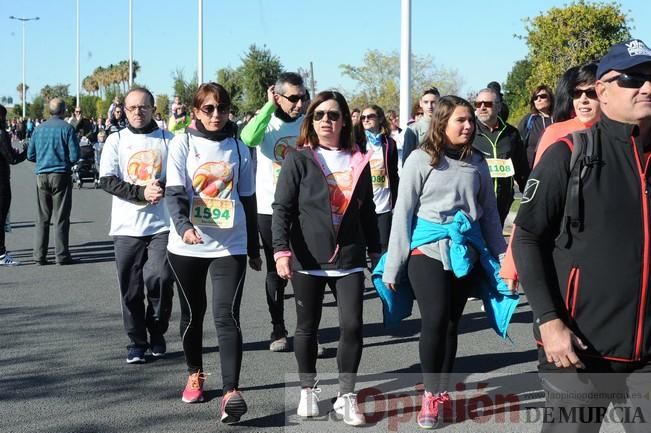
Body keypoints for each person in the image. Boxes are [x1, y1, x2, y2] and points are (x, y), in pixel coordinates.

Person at [512, 39, 651, 433]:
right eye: (633, 78)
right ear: (603, 91)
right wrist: (550, 323)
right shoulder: (570, 152)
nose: (647, 87)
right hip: (578, 350)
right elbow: (527, 238)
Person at [381, 95, 507, 429]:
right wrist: (394, 264)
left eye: (470, 120)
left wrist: (503, 258)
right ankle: (429, 393)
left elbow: (490, 214)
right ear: (442, 123)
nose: (468, 126)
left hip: (464, 250)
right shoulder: (420, 159)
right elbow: (403, 213)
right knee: (434, 319)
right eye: (460, 121)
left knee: (452, 323)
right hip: (426, 250)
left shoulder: (478, 162)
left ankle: (442, 391)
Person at [272, 90, 381, 426]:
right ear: (311, 121)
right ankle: (308, 389)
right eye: (318, 115)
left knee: (352, 325)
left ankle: (347, 396)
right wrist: (281, 251)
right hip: (308, 257)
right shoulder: (298, 158)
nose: (325, 121)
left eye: (333, 115)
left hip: (348, 257)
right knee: (307, 327)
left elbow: (368, 211)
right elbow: (283, 209)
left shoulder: (359, 158)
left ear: (345, 120)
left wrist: (376, 251)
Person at [165, 82, 261, 424]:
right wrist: (183, 226)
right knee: (193, 314)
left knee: (227, 316)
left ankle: (231, 392)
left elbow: (248, 199)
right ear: (195, 111)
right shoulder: (182, 143)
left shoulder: (239, 147)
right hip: (187, 245)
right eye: (208, 108)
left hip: (229, 245)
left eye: (221, 108)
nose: (216, 115)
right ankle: (195, 373)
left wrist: (253, 247)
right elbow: (174, 193)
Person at [500, 62, 600, 288]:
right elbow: (531, 200)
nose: (583, 99)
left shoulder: (626, 134)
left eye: (591, 92)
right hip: (561, 243)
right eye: (577, 92)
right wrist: (512, 264)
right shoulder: (557, 133)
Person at [99, 87, 175, 364]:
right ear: (124, 110)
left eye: (143, 107)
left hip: (162, 226)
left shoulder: (169, 139)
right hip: (126, 227)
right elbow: (106, 179)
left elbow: (181, 178)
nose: (137, 112)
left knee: (161, 279)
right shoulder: (116, 140)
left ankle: (157, 331)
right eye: (132, 108)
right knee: (130, 289)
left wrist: (161, 188)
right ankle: (137, 341)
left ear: (154, 109)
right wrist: (140, 193)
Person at [240, 72, 308, 352]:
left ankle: (307, 332)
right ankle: (277, 327)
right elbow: (247, 137)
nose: (299, 103)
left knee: (307, 269)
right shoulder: (266, 123)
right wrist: (268, 107)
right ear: (278, 97)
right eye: (293, 98)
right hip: (270, 208)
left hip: (304, 208)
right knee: (276, 269)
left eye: (303, 97)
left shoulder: (308, 123)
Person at [27, 98, 80, 265]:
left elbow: (30, 155)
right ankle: (61, 255)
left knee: (42, 217)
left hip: (41, 176)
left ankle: (39, 256)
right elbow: (74, 155)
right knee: (61, 216)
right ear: (63, 110)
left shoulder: (39, 129)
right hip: (60, 174)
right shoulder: (67, 129)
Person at [472, 88, 529, 226]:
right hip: (475, 204)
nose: (482, 107)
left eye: (487, 104)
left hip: (502, 204)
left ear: (498, 106)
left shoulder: (511, 134)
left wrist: (528, 198)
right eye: (478, 104)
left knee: (495, 244)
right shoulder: (469, 132)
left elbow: (522, 169)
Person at [359, 104, 399, 252]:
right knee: (361, 248)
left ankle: (380, 275)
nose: (366, 119)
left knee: (382, 247)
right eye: (363, 117)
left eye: (370, 116)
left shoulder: (389, 144)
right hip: (363, 204)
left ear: (380, 118)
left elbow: (394, 174)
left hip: (383, 204)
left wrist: (396, 200)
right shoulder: (358, 143)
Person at [0, 104, 27, 266]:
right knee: (1, 218)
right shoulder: (1, 134)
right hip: (1, 181)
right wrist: (26, 152)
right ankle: (1, 254)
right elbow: (12, 159)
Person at [517, 85, 555, 168]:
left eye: (543, 96)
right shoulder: (529, 120)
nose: (539, 99)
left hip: (554, 167)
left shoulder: (559, 119)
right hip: (532, 170)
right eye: (535, 98)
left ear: (551, 99)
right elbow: (518, 145)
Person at [402, 87, 440, 164]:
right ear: (421, 103)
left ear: (439, 103)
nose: (430, 106)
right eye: (426, 102)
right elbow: (407, 160)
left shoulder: (446, 126)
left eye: (433, 102)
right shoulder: (413, 129)